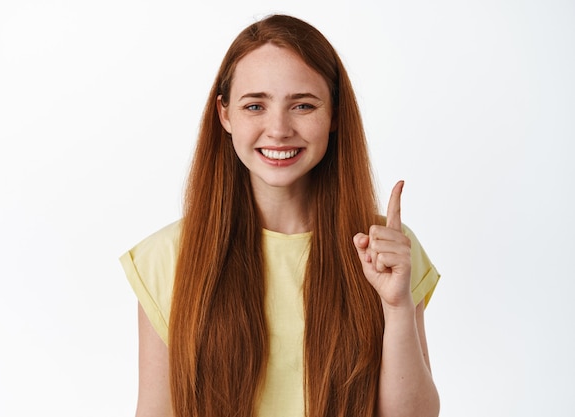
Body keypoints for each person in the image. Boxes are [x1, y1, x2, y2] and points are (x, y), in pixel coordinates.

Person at [120, 14, 440, 417]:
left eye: (302, 105)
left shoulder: (387, 250)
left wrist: (395, 308)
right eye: (255, 105)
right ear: (225, 115)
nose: (278, 129)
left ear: (335, 115)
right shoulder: (165, 258)